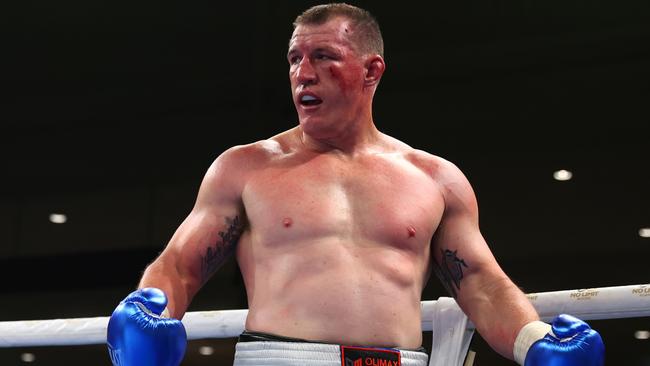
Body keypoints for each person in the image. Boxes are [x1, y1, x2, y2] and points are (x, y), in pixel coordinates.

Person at [106, 3, 605, 366]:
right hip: (282, 359)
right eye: (294, 59)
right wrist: (146, 311)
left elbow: (478, 280)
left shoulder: (434, 178)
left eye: (323, 56)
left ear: (371, 71)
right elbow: (181, 265)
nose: (303, 73)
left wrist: (534, 342)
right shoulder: (246, 167)